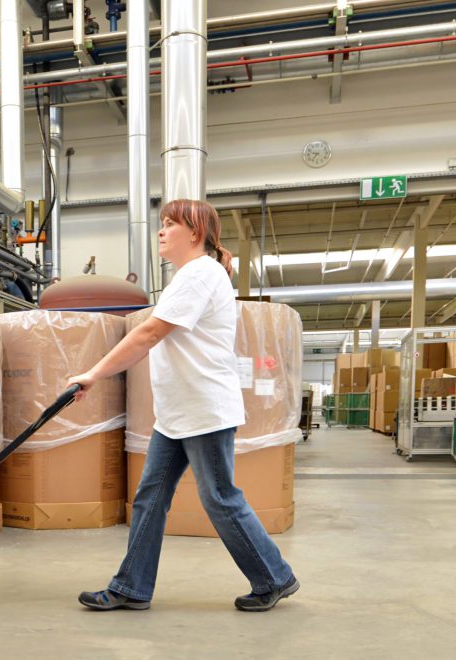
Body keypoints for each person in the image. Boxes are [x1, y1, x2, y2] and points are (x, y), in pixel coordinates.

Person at [67, 199, 298, 613]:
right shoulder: (190, 277)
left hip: (203, 409)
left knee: (219, 497)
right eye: (161, 224)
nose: (161, 231)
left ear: (195, 233)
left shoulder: (200, 274)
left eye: (170, 224)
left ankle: (274, 577)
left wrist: (93, 374)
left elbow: (149, 334)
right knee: (150, 497)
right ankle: (132, 587)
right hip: (176, 415)